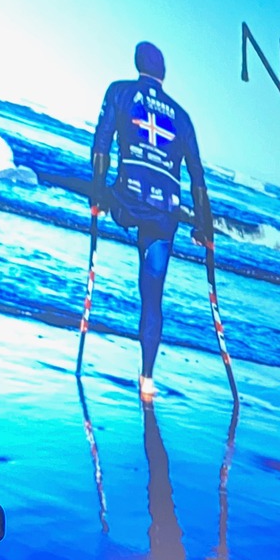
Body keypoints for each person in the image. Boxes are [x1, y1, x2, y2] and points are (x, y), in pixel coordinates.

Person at [91, 41, 211, 399]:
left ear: (137, 64)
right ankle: (147, 379)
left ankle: (108, 205)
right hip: (165, 214)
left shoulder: (119, 92)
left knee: (114, 200)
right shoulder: (182, 116)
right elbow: (197, 177)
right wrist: (203, 226)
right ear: (163, 73)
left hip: (127, 201)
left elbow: (101, 145)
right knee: (152, 296)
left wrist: (97, 194)